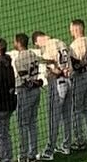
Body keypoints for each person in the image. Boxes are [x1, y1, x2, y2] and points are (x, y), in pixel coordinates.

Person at [32, 30, 72, 159]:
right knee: (67, 116)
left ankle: (49, 151)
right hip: (69, 81)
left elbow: (52, 67)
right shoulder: (61, 42)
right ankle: (66, 146)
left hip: (57, 85)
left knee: (53, 118)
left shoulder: (48, 46)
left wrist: (52, 70)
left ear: (38, 40)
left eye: (37, 44)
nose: (39, 47)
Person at [10, 33, 42, 162]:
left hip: (25, 92)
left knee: (23, 124)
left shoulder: (19, 60)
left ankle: (23, 155)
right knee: (33, 123)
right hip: (36, 92)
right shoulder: (33, 54)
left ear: (18, 43)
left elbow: (25, 80)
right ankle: (32, 153)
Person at [68, 19, 87, 148]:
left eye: (71, 29)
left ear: (75, 30)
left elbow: (75, 65)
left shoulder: (74, 46)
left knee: (77, 110)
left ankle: (80, 140)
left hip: (79, 79)